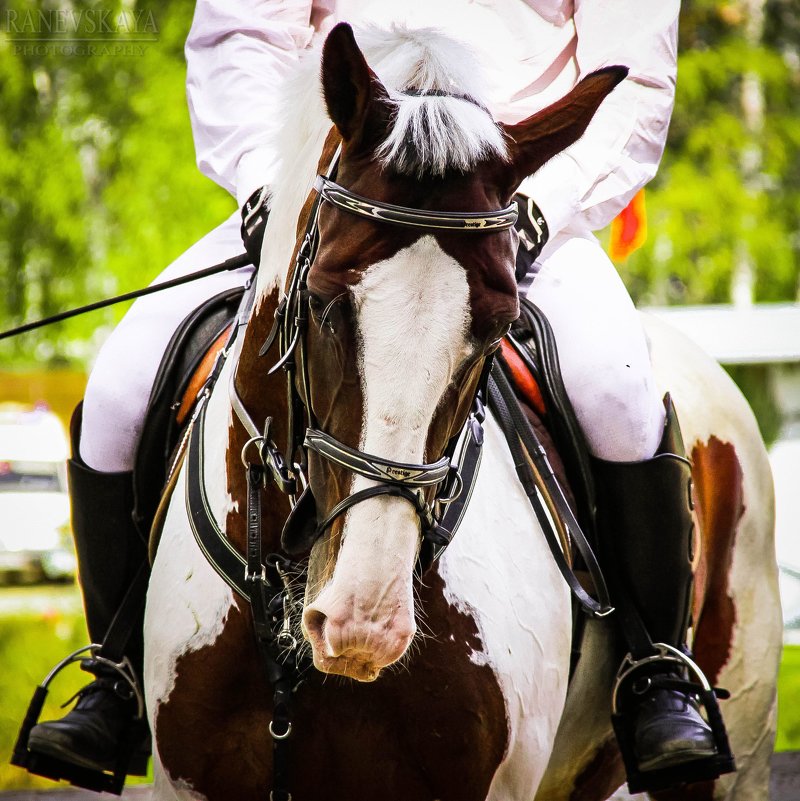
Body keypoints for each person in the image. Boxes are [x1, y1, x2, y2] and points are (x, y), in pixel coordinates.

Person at [25, 0, 730, 793]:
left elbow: (630, 79)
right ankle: (115, 674)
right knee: (120, 387)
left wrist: (536, 203)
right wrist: (269, 179)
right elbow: (241, 35)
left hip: (504, 196)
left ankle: (654, 673)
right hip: (332, 188)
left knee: (616, 388)